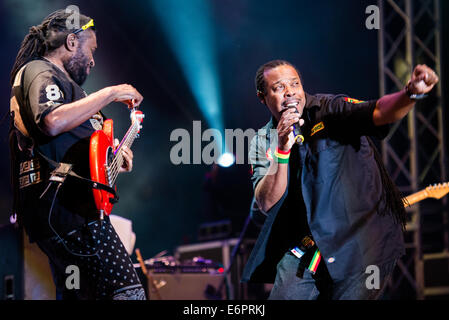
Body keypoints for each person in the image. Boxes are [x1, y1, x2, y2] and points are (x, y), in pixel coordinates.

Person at [242, 59, 439, 299]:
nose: (290, 92)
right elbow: (267, 203)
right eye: (279, 87)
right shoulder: (262, 141)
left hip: (360, 243)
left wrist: (411, 93)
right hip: (308, 247)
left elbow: (379, 112)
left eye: (295, 83)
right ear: (263, 98)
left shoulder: (331, 109)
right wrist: (282, 150)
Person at [9, 9, 146, 300]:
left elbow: (70, 139)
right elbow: (52, 120)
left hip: (67, 209)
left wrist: (111, 158)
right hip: (70, 211)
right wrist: (110, 93)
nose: (93, 60)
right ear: (72, 42)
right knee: (128, 294)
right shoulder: (39, 70)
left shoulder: (67, 87)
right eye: (91, 49)